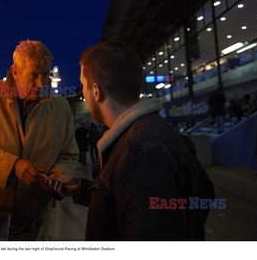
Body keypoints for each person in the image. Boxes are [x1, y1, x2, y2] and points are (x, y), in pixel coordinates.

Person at [45, 41, 209, 240]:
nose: (84, 93)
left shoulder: (140, 152)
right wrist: (85, 189)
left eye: (84, 85)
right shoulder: (149, 133)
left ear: (96, 92)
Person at [0, 40, 79, 240]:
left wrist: (60, 174)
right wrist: (12, 165)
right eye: (34, 74)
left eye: (46, 74)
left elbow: (68, 154)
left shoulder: (61, 106)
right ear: (15, 71)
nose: (41, 83)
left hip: (35, 218)